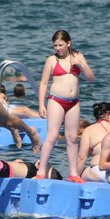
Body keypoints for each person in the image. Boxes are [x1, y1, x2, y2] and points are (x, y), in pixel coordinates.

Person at [37, 30, 95, 183]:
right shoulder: (51, 60)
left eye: (60, 45)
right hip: (56, 100)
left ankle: (73, 173)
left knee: (72, 138)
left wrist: (81, 65)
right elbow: (43, 83)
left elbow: (90, 78)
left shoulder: (78, 56)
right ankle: (41, 171)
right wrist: (41, 104)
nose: (57, 48)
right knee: (52, 136)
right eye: (55, 45)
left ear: (69, 43)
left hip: (73, 102)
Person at [78, 102, 110, 179]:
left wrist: (75, 176)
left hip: (100, 172)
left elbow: (82, 158)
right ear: (108, 115)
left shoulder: (88, 130)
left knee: (83, 172)